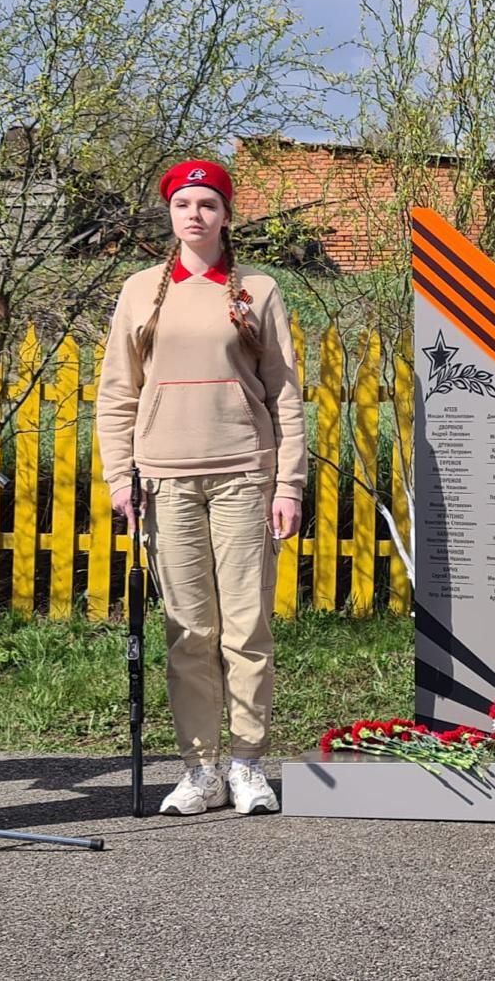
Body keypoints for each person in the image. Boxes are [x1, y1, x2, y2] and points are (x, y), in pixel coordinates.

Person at [96, 159, 306, 816]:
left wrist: (288, 484)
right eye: (183, 203)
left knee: (246, 629)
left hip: (245, 473)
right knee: (189, 632)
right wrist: (118, 475)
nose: (195, 214)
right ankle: (200, 770)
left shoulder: (258, 290)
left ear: (225, 215)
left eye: (207, 204)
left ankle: (246, 765)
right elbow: (116, 394)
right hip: (163, 481)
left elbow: (286, 396)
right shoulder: (138, 292)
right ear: (169, 214)